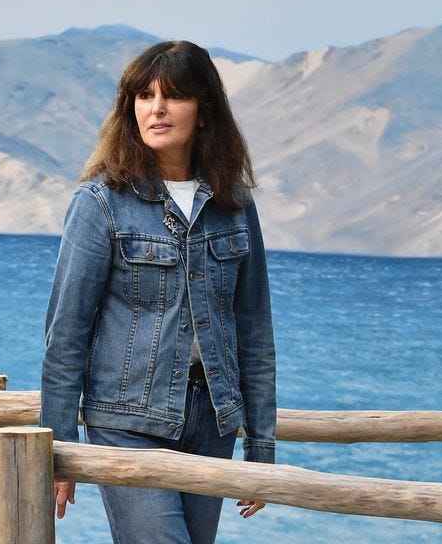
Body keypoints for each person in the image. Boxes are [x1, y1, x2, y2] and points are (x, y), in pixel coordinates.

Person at [39, 40, 276, 543]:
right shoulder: (101, 202)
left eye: (173, 97)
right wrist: (59, 447)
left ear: (205, 112)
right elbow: (66, 333)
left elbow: (253, 329)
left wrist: (262, 444)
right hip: (127, 421)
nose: (157, 109)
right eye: (144, 97)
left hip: (213, 423)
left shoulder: (234, 203)